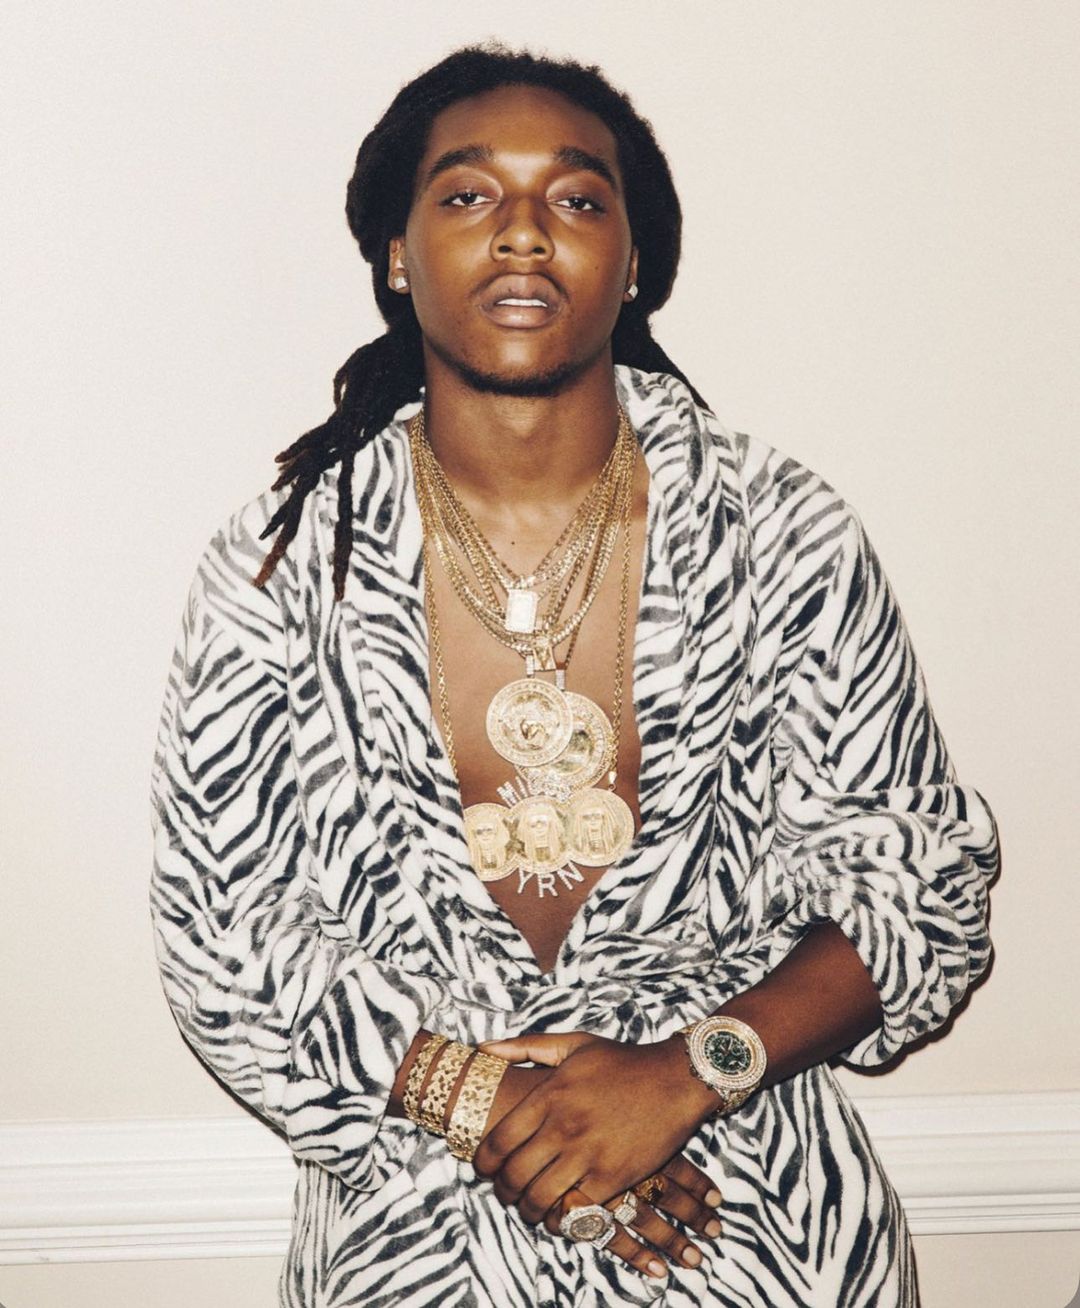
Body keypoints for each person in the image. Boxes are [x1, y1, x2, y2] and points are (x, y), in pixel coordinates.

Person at [150, 45, 998, 1308]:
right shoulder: (283, 571)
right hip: (414, 1237)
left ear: (635, 258)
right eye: (467, 193)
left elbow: (917, 887)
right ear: (396, 253)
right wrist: (489, 1102)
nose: (524, 232)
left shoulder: (783, 536)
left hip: (760, 1226)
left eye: (577, 197)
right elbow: (224, 936)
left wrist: (684, 1074)